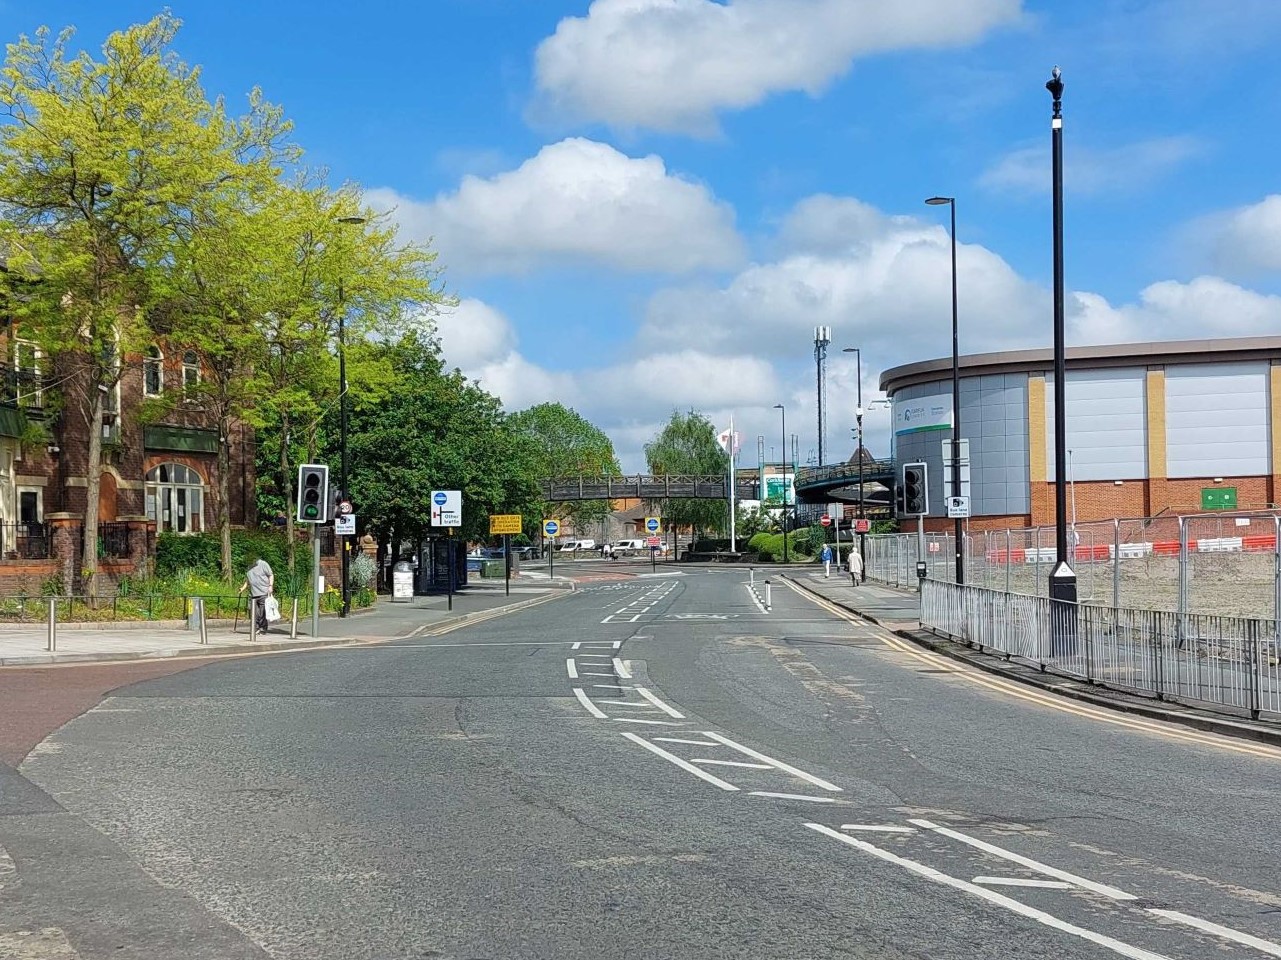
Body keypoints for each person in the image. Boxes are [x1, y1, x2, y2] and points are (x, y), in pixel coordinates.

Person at [239, 556, 274, 633]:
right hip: (253, 594)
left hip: (263, 592)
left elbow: (271, 575)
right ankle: (256, 628)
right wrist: (243, 588)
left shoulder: (263, 564)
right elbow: (248, 580)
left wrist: (270, 586)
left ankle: (262, 629)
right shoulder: (249, 567)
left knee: (262, 613)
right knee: (253, 611)